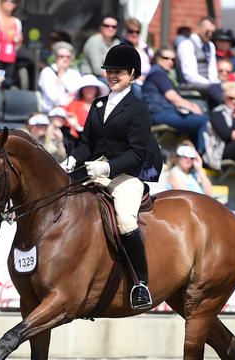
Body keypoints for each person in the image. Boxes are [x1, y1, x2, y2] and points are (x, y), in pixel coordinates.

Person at [62, 44, 164, 310]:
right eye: (109, 71)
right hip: (93, 170)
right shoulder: (97, 104)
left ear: (132, 74)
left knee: (126, 220)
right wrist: (74, 158)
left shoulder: (139, 108)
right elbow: (87, 142)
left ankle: (141, 283)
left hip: (125, 175)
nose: (112, 76)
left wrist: (108, 168)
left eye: (118, 72)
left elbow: (137, 153)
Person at [142, 47, 208, 153]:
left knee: (196, 121)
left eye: (173, 59)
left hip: (164, 113)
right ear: (157, 58)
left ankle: (190, 155)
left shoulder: (161, 73)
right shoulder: (158, 73)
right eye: (166, 58)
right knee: (203, 120)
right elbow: (171, 96)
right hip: (160, 114)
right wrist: (192, 106)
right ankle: (201, 156)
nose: (170, 62)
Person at [177, 17, 219, 98]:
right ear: (199, 29)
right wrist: (210, 84)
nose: (210, 35)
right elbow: (189, 74)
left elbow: (212, 69)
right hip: (190, 84)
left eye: (212, 33)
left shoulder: (210, 45)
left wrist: (214, 83)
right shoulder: (187, 44)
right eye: (207, 32)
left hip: (209, 84)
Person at [37, 41, 81, 112]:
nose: (65, 59)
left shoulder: (75, 74)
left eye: (68, 57)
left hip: (71, 111)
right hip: (51, 111)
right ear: (55, 57)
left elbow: (77, 94)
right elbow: (53, 96)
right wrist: (60, 74)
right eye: (61, 56)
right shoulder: (47, 72)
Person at [121, 17, 153, 97]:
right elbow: (122, 68)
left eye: (137, 32)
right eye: (131, 31)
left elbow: (153, 63)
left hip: (149, 78)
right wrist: (137, 77)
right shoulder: (122, 47)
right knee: (137, 88)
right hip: (133, 80)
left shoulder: (145, 47)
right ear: (125, 32)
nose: (134, 34)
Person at [0, 0, 23, 88]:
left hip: (10, 57)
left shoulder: (16, 22)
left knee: (6, 83)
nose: (10, 3)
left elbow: (19, 40)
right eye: (7, 1)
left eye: (13, 2)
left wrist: (18, 40)